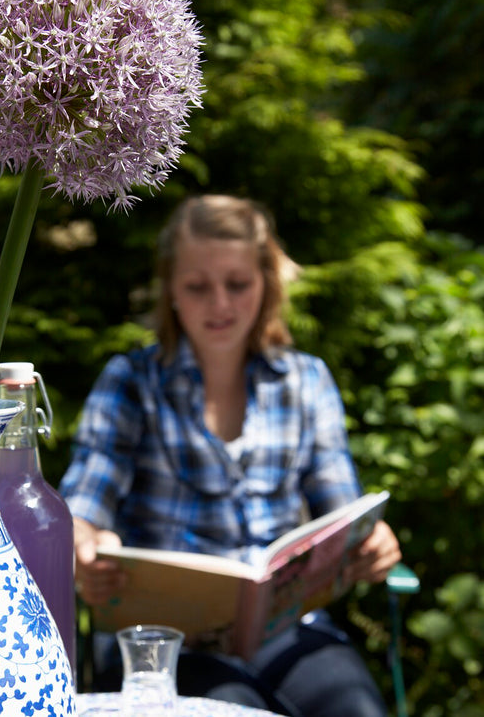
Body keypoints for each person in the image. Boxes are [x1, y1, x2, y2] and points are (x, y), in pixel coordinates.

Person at [59, 194, 402, 716]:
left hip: (288, 630)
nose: (220, 304)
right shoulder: (130, 381)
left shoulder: (307, 381)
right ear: (171, 288)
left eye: (237, 284)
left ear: (266, 284)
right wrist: (84, 550)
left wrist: (371, 543)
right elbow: (81, 509)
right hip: (161, 641)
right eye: (198, 287)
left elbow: (343, 514)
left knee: (355, 707)